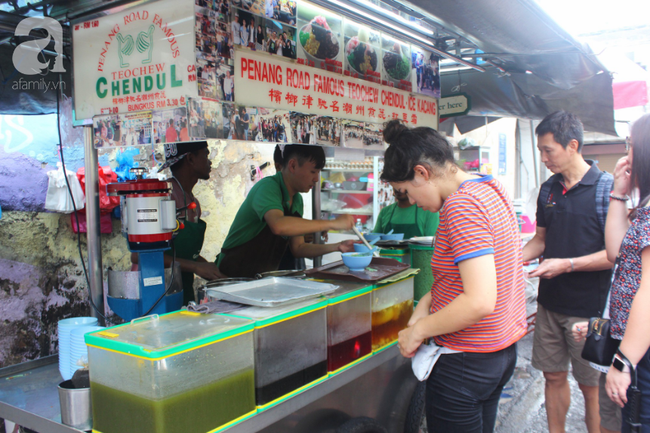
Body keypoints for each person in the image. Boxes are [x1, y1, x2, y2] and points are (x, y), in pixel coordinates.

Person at [383, 119, 527, 432]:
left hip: (466, 361)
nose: (414, 204)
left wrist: (418, 331)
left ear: (422, 173)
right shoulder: (489, 187)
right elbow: (459, 280)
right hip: (498, 354)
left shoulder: (461, 206)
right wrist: (423, 305)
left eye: (406, 192)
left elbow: (479, 301)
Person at [522, 111, 614, 433]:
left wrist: (567, 264)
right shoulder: (548, 190)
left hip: (589, 312)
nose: (544, 158)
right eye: (541, 151)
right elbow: (540, 240)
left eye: (549, 150)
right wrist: (510, 260)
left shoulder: (607, 190)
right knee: (553, 376)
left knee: (592, 388)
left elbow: (616, 255)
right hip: (549, 305)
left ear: (572, 145)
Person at [216, 144, 356, 278]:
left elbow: (299, 248)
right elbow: (278, 225)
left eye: (318, 173)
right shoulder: (267, 187)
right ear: (293, 165)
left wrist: (338, 246)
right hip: (232, 275)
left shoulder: (297, 200)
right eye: (313, 172)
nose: (316, 179)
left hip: (261, 279)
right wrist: (332, 224)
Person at [601, 114, 650, 432]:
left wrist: (623, 361)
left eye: (631, 145)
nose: (626, 155)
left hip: (642, 351)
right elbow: (615, 252)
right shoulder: (644, 206)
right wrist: (619, 192)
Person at [132, 141, 224, 305]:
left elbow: (185, 256)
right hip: (154, 291)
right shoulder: (162, 199)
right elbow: (139, 255)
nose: (210, 161)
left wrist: (219, 275)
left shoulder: (192, 202)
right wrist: (195, 267)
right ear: (190, 158)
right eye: (205, 154)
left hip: (181, 286)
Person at [373, 187, 439, 238]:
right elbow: (373, 240)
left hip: (417, 255)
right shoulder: (385, 212)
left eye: (402, 183)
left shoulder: (429, 211)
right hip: (385, 255)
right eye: (395, 183)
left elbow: (432, 245)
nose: (398, 188)